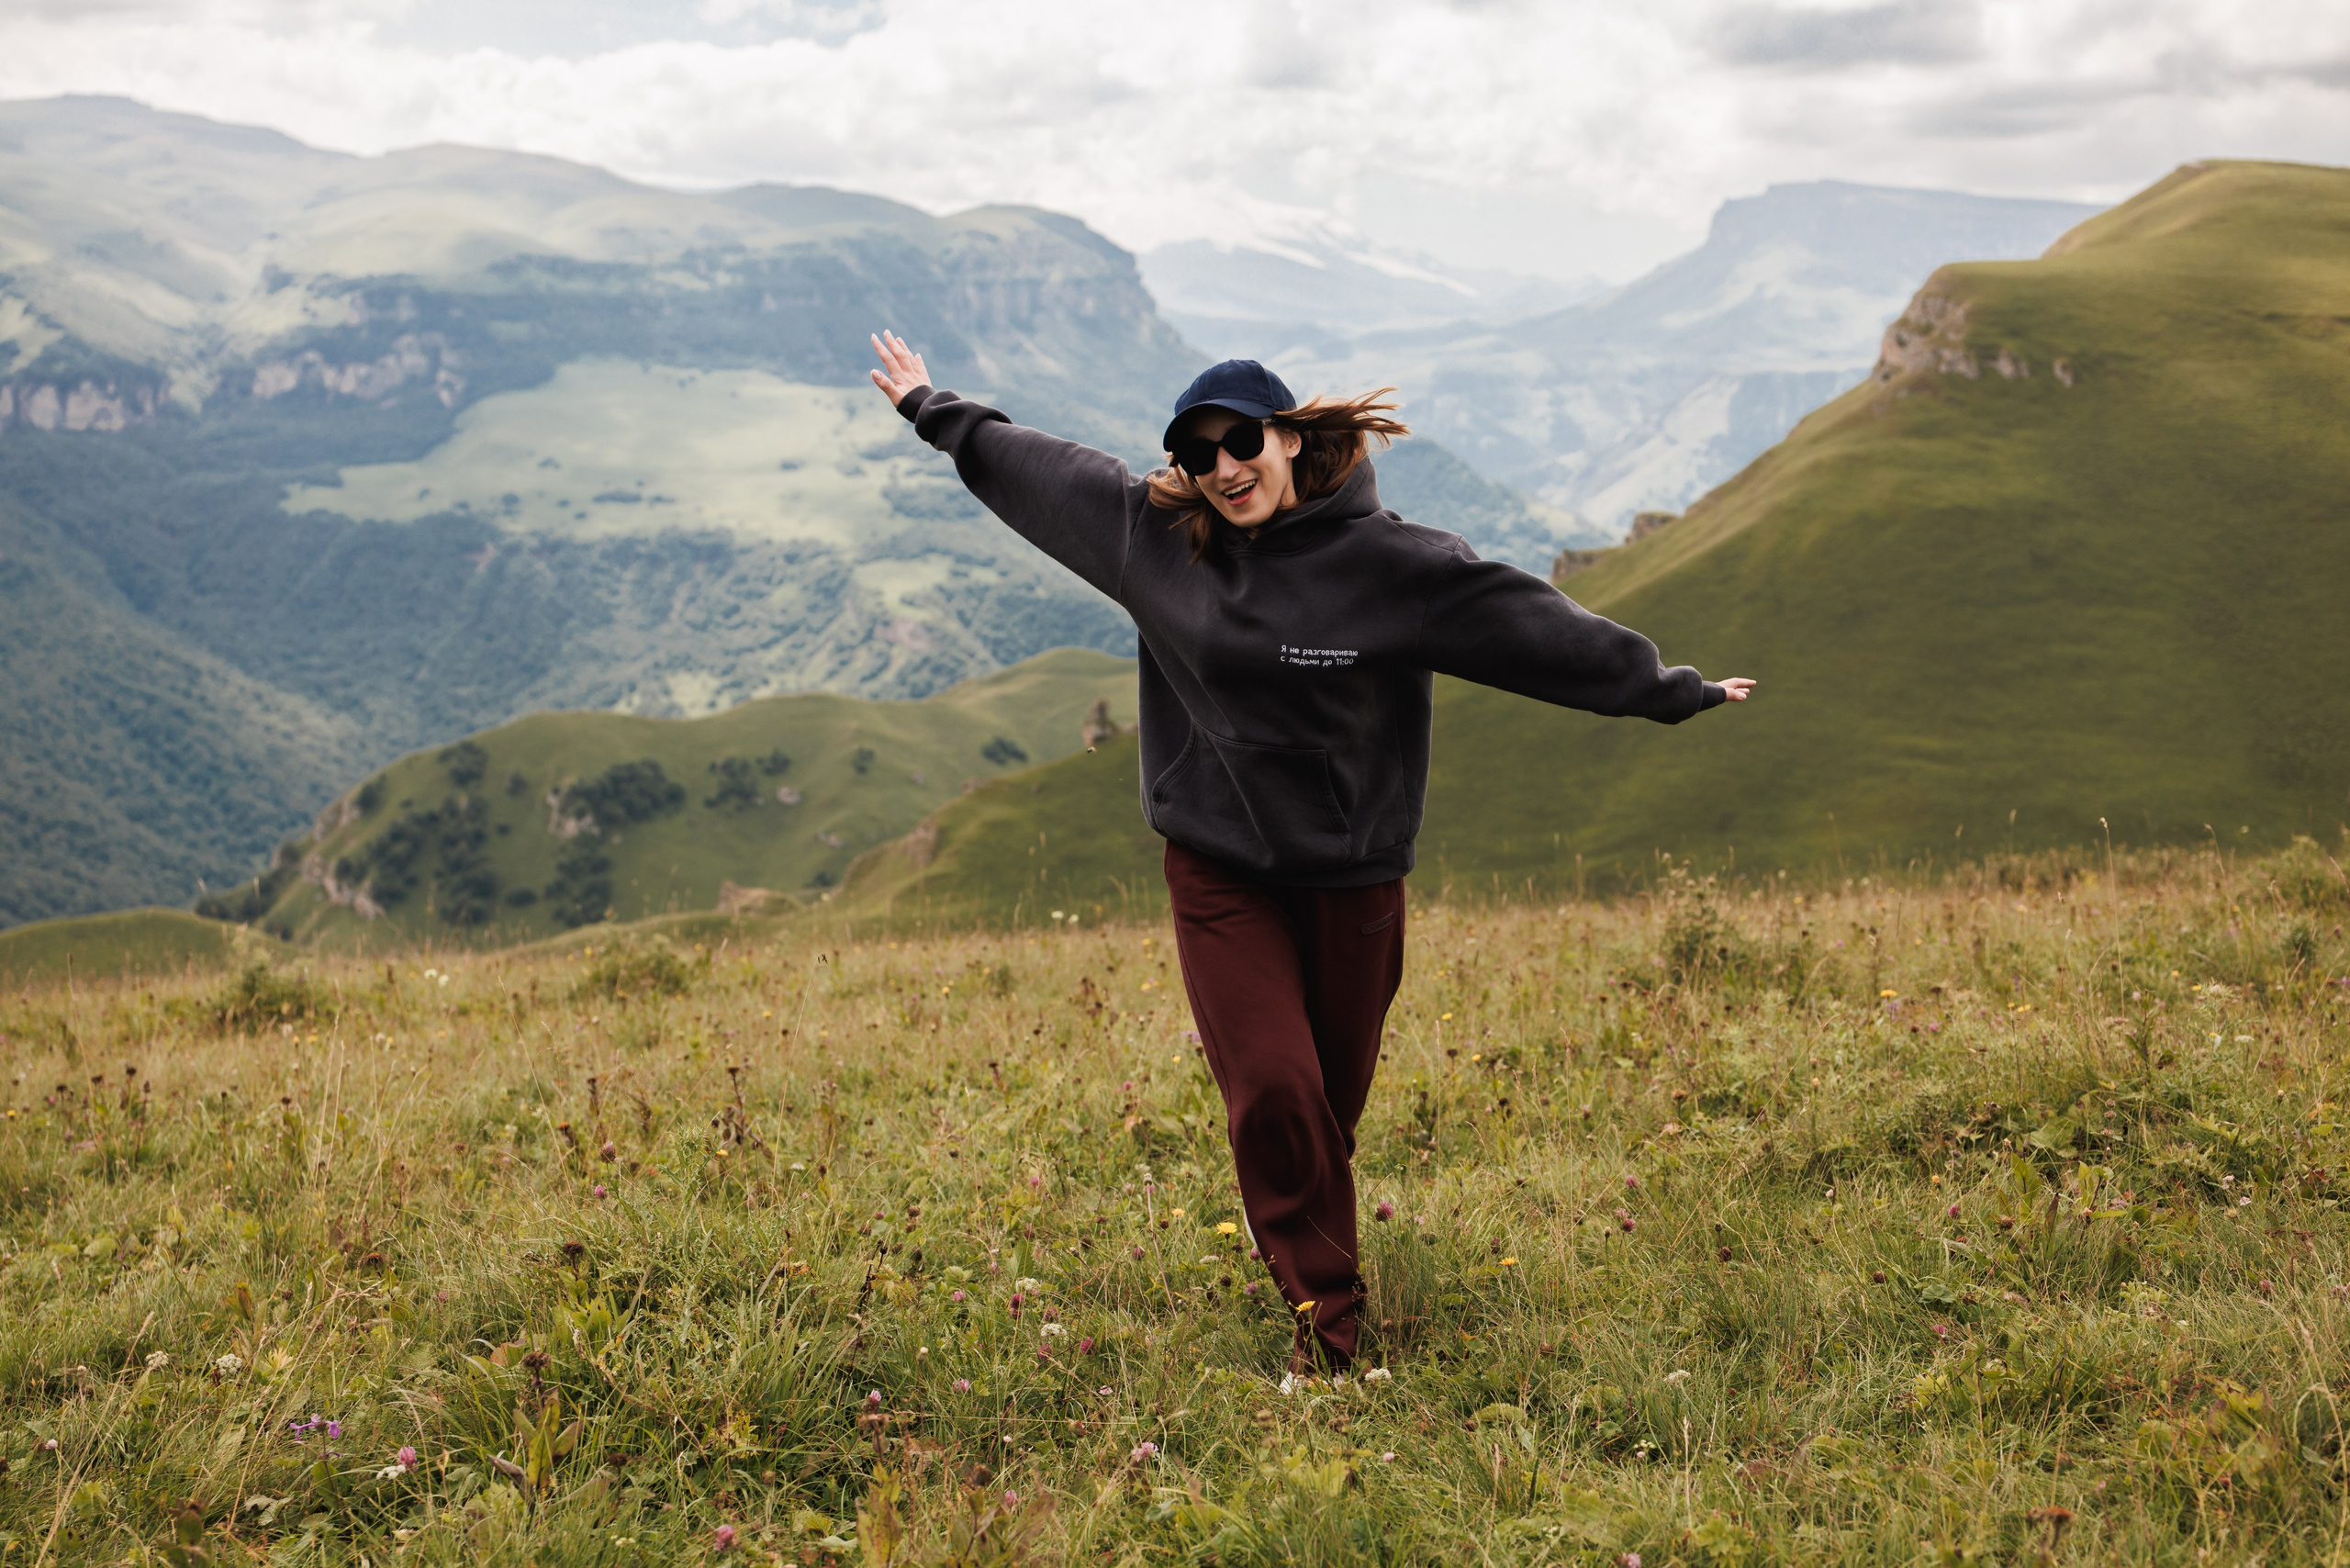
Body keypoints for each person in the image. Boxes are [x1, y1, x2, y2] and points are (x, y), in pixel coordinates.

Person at [869, 335, 1754, 1372]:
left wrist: (1672, 689)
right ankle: (1328, 1331)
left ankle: (1299, 1221)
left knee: (1327, 1106)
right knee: (1277, 1089)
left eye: (1242, 441)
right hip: (1219, 866)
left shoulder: (1395, 565)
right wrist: (932, 407)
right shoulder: (1153, 538)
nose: (1224, 467)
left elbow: (1531, 628)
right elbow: (1043, 472)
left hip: (1351, 872)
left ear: (1290, 439)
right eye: (1199, 454)